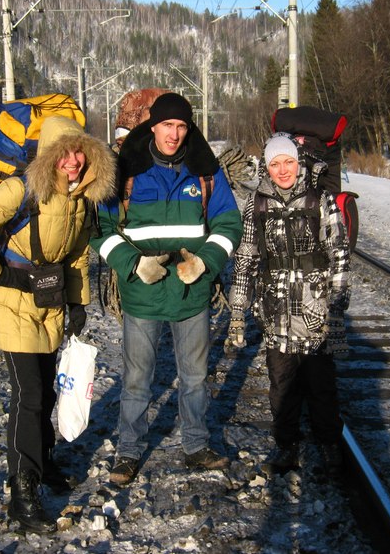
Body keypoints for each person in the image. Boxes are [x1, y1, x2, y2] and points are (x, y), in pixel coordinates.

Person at [0, 115, 116, 533]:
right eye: (65, 153)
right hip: (13, 303)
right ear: (49, 156)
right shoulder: (21, 189)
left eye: (81, 152)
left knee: (46, 388)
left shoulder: (81, 196)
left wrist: (78, 303)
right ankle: (22, 495)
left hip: (50, 301)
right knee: (30, 395)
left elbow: (76, 253)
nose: (74, 161)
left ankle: (42, 465)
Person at [91, 92, 243, 486]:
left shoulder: (206, 172)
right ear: (152, 127)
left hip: (191, 292)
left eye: (181, 126)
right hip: (143, 292)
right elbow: (101, 230)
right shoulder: (126, 171)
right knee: (137, 379)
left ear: (187, 128)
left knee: (194, 376)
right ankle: (128, 452)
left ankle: (196, 445)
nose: (174, 134)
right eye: (166, 125)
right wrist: (133, 264)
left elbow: (229, 224)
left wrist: (205, 263)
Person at [225, 132, 350, 476]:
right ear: (266, 167)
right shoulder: (257, 203)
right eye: (275, 164)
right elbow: (246, 258)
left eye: (288, 162)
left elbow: (339, 254)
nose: (283, 170)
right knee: (281, 385)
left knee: (321, 384)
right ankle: (287, 445)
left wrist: (337, 308)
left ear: (298, 163)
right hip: (275, 311)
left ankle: (328, 445)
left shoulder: (320, 200)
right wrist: (238, 311)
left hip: (315, 312)